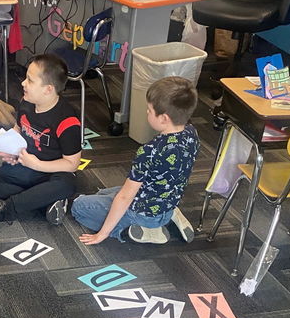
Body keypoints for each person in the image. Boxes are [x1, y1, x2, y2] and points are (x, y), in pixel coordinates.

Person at [71, 75, 199, 244]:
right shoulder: (192, 133)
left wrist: (102, 234)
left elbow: (125, 197)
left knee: (79, 207)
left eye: (149, 110)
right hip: (166, 203)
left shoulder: (150, 151)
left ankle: (140, 232)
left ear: (163, 118)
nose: (146, 112)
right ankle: (171, 215)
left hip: (142, 214)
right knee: (103, 193)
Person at [0, 53, 81, 228]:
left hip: (53, 171)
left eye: (30, 80)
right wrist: (7, 145)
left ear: (48, 89)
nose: (23, 83)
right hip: (27, 165)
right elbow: (20, 128)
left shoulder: (67, 120)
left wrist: (37, 165)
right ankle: (44, 202)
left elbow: (72, 164)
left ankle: (6, 208)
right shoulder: (26, 102)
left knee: (67, 185)